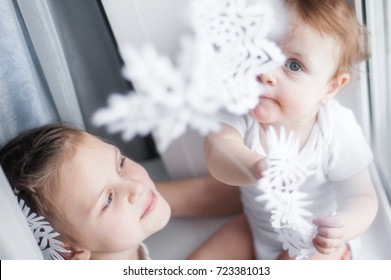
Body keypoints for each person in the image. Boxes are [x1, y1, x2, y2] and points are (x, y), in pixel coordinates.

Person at [203, 0, 378, 260]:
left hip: (314, 240)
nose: (265, 73)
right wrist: (255, 166)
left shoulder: (335, 128)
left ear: (330, 88)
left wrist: (344, 227)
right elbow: (218, 151)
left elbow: (362, 196)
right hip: (257, 228)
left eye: (293, 65)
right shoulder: (242, 106)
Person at [0, 123, 253, 260]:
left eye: (120, 164)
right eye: (108, 200)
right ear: (70, 250)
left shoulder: (127, 208)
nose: (133, 186)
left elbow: (205, 195)